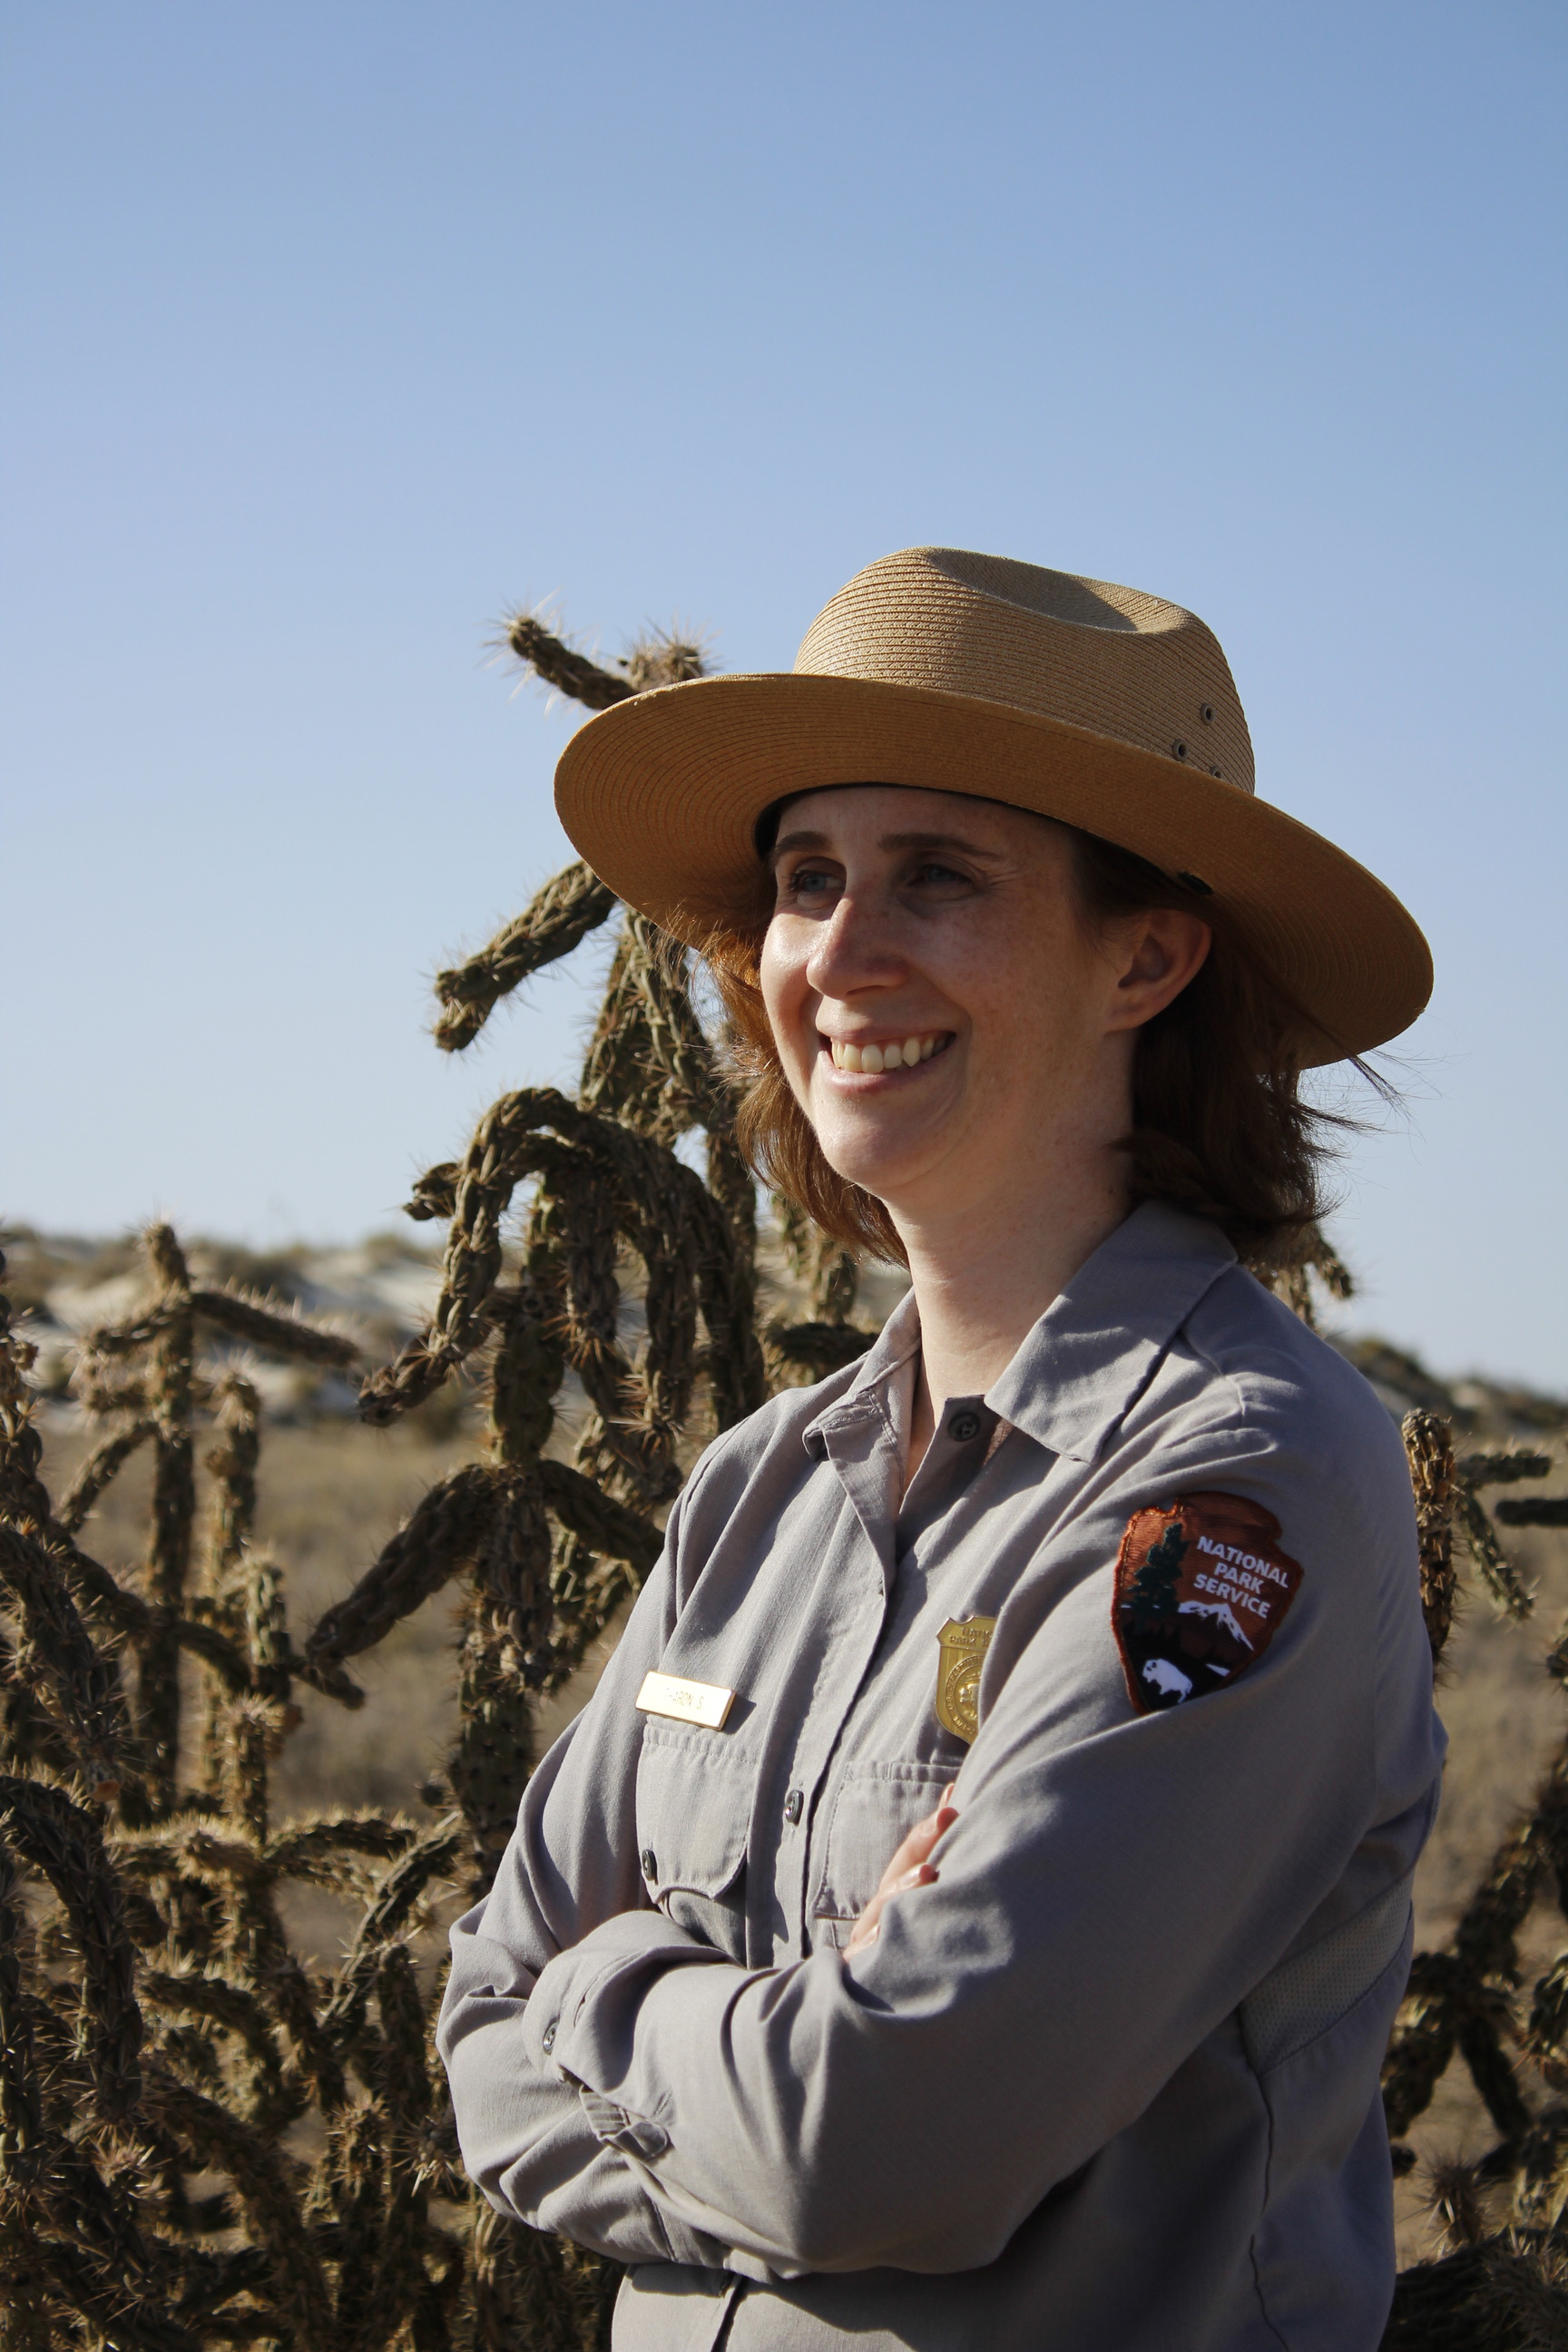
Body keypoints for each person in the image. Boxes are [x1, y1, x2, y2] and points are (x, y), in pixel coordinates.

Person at [438, 547, 1445, 2350]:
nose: (836, 954)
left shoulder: (1235, 1488)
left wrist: (598, 1990)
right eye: (808, 879)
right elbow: (472, 2035)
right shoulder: (762, 1491)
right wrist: (765, 2026)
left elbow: (867, 2150)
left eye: (939, 878)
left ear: (1146, 955)